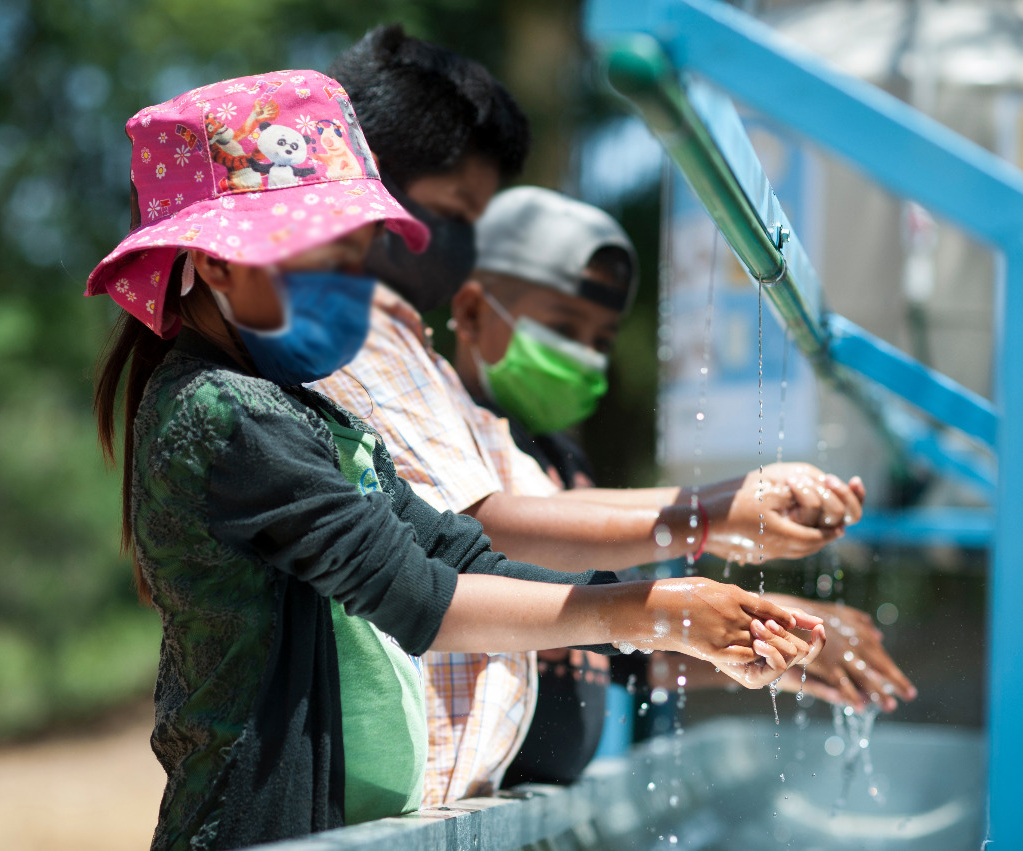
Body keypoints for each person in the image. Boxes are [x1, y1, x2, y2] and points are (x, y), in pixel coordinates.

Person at [87, 71, 825, 851]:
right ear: (217, 261)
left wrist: (662, 615)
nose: (352, 287)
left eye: (358, 256)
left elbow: (453, 548)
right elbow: (415, 596)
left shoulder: (303, 408)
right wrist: (652, 612)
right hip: (258, 827)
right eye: (318, 257)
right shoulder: (223, 413)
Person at [315, 30, 867, 806]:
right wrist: (707, 518)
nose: (459, 245)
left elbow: (518, 531)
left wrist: (726, 536)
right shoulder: (357, 342)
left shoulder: (429, 366)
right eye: (454, 214)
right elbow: (490, 531)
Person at [450, 187, 919, 785]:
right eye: (563, 328)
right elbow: (487, 539)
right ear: (470, 314)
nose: (585, 358)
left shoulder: (559, 459)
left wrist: (780, 647)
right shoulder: (446, 443)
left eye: (600, 341)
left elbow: (621, 652)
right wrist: (713, 516)